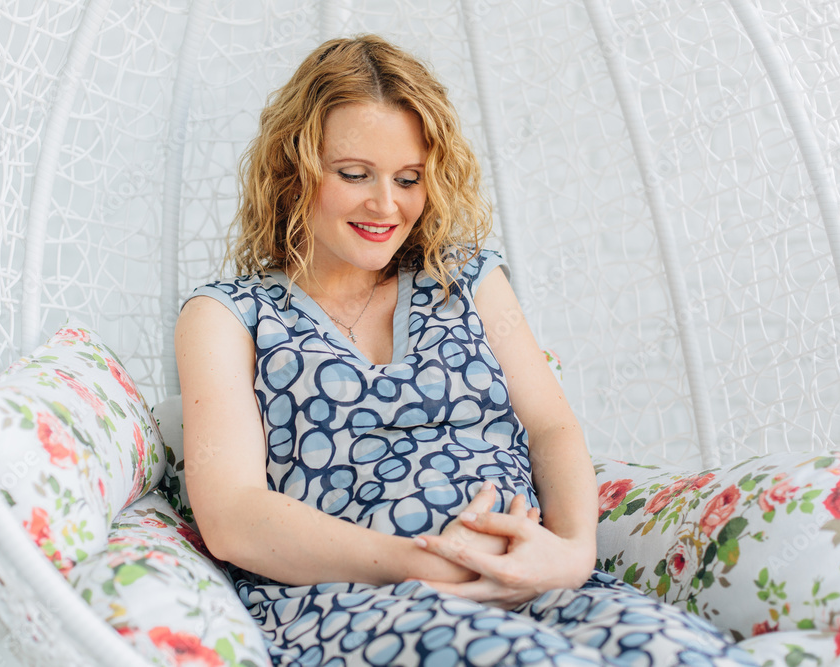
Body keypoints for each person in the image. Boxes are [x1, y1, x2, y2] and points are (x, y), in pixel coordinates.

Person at [174, 34, 757, 666]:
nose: (385, 204)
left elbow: (551, 426)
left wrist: (570, 551)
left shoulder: (468, 279)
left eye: (408, 178)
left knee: (674, 651)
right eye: (353, 174)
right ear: (293, 171)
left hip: (530, 578)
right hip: (359, 599)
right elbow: (232, 516)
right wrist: (428, 564)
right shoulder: (229, 315)